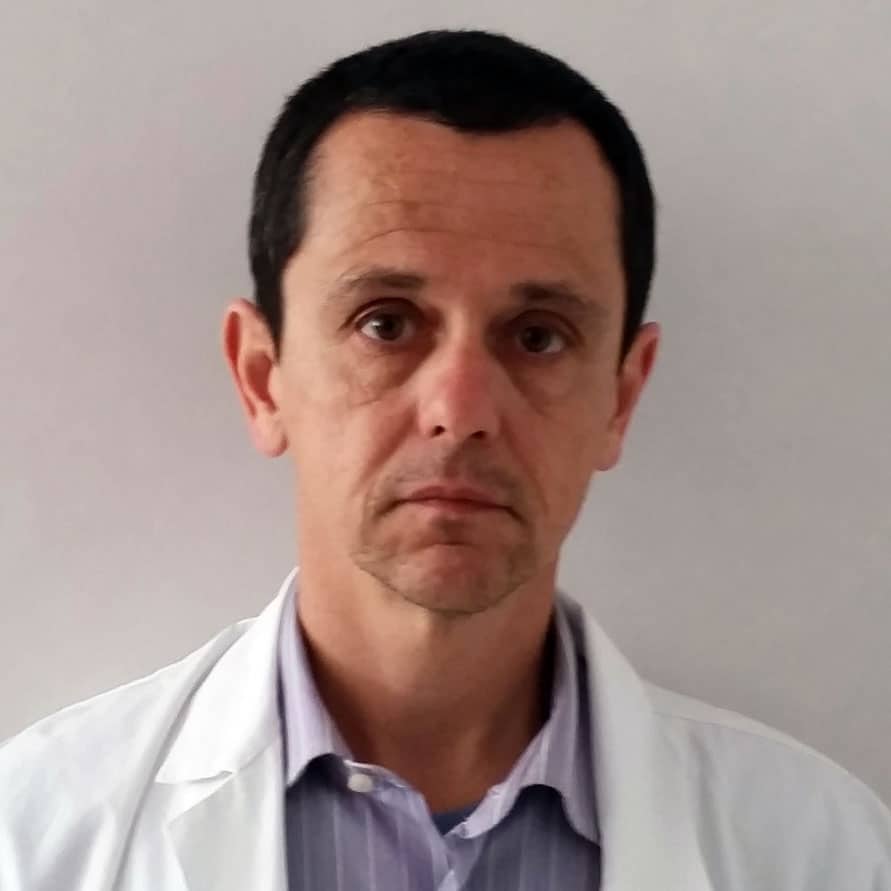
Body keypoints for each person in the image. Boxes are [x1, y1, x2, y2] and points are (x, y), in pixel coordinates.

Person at [1, 28, 889, 891]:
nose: (460, 412)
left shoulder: (822, 852)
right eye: (385, 323)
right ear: (263, 378)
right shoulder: (34, 837)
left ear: (620, 397)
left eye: (537, 336)